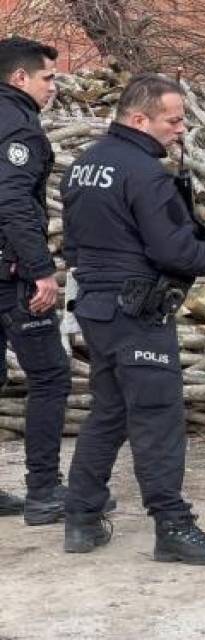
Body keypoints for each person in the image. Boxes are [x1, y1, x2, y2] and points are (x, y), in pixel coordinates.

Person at [61, 74, 205, 563]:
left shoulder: (84, 166)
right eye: (173, 120)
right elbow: (170, 248)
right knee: (157, 416)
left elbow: (74, 244)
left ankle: (82, 518)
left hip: (96, 307)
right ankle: (173, 527)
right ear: (140, 119)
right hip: (137, 310)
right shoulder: (145, 173)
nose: (181, 129)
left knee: (110, 410)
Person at [0, 37, 73, 526]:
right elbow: (11, 203)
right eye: (48, 77)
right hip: (11, 276)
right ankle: (45, 490)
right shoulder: (19, 127)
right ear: (20, 77)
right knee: (50, 376)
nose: (54, 87)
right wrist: (40, 270)